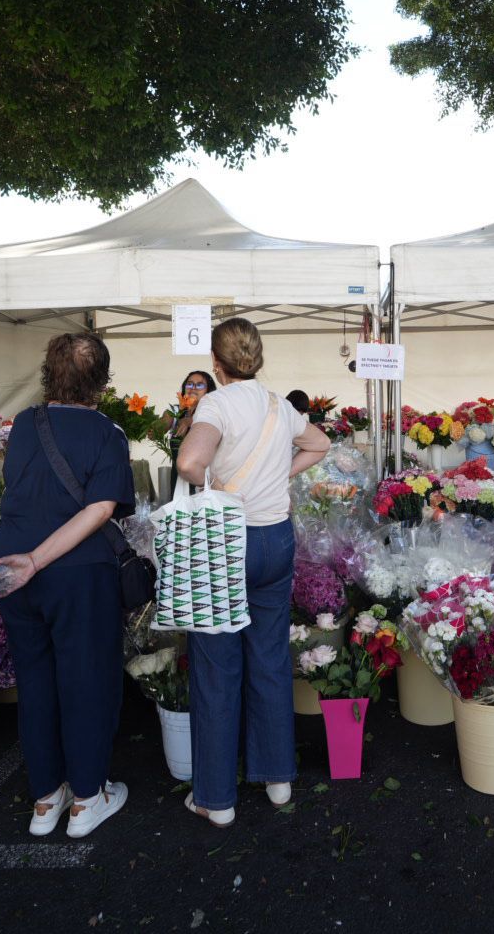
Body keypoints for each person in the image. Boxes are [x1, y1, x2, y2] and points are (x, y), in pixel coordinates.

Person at [175, 319, 330, 826]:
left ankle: (216, 799)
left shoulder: (215, 403)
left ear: (216, 365)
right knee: (268, 657)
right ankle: (278, 778)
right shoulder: (277, 405)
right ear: (257, 360)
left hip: (228, 541)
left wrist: (214, 490)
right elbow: (321, 445)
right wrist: (276, 474)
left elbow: (189, 462)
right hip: (275, 539)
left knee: (217, 666)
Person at [0, 334, 136, 838]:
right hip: (71, 572)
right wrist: (37, 559)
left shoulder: (27, 424)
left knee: (36, 682)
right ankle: (87, 800)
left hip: (9, 565)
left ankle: (46, 799)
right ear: (102, 380)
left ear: (49, 372)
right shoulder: (107, 432)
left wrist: (27, 559)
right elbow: (101, 509)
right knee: (86, 681)